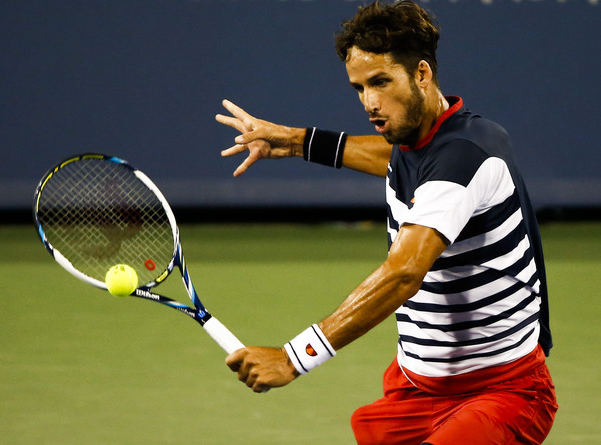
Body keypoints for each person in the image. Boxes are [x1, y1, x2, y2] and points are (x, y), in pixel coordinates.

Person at [215, 1, 558, 443]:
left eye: (380, 82)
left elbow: (404, 272)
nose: (369, 103)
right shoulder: (425, 144)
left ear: (421, 74)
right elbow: (396, 160)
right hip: (413, 389)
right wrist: (298, 141)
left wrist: (294, 357)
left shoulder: (467, 154)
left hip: (501, 392)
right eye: (358, 88)